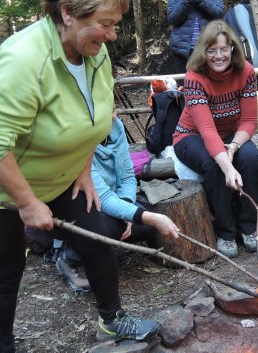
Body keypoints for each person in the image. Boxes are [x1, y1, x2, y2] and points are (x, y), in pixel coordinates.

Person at [0, 0, 179, 353]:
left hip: (58, 175)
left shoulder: (93, 51)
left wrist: (80, 166)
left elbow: (92, 117)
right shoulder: (23, 61)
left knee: (98, 238)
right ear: (68, 13)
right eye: (105, 25)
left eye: (115, 25)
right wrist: (28, 204)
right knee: (5, 272)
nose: (112, 35)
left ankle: (112, 318)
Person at [52, 113, 177, 292]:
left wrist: (126, 206)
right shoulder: (77, 140)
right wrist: (136, 215)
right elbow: (101, 197)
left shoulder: (116, 128)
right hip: (81, 204)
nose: (111, 116)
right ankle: (68, 257)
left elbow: (127, 177)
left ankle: (100, 247)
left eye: (112, 109)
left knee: (145, 226)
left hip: (112, 199)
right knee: (112, 227)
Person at [173, 20, 258, 258]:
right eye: (211, 51)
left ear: (232, 48)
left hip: (231, 134)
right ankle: (225, 232)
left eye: (223, 49)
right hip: (190, 135)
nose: (218, 56)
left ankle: (248, 227)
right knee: (214, 165)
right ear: (203, 51)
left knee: (252, 158)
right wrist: (227, 165)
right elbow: (206, 129)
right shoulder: (194, 77)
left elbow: (249, 121)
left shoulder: (246, 72)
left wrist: (233, 147)